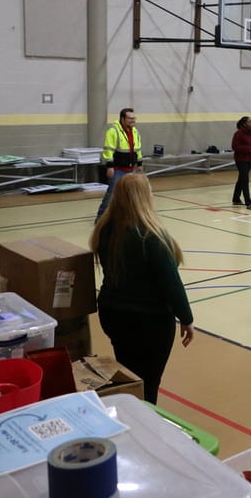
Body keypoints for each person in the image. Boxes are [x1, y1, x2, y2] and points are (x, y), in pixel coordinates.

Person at [89, 174, 195, 404]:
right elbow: (171, 284)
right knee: (149, 381)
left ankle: (129, 408)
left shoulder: (105, 229)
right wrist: (186, 318)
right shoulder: (151, 236)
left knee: (129, 372)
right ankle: (144, 415)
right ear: (143, 197)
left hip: (113, 314)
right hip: (149, 321)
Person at [96, 107, 143, 221]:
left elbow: (137, 149)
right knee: (112, 193)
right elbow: (108, 150)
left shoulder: (135, 132)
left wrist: (139, 164)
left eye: (134, 118)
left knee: (131, 195)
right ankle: (101, 218)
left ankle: (128, 218)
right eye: (130, 118)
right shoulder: (113, 131)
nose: (133, 120)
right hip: (117, 169)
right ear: (122, 118)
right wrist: (110, 166)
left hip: (130, 169)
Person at [232, 116, 251, 209]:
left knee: (241, 179)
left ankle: (236, 199)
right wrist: (248, 149)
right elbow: (235, 147)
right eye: (249, 122)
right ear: (244, 124)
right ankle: (248, 202)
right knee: (245, 180)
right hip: (240, 160)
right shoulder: (238, 133)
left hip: (248, 159)